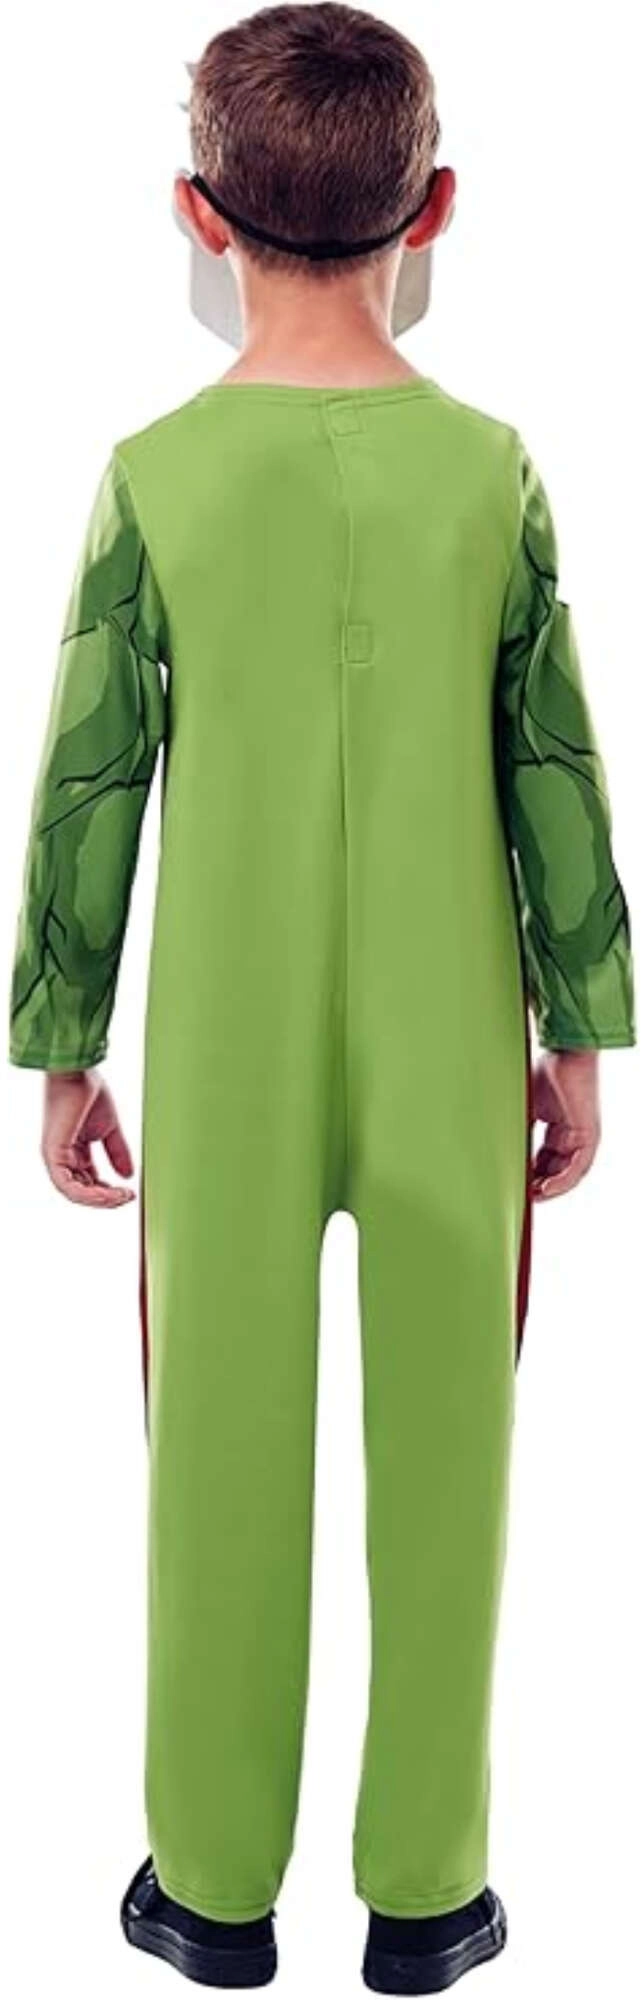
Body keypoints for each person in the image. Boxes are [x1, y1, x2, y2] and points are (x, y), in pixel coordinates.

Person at [8, 5, 635, 1992]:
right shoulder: (488, 472)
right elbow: (550, 764)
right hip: (453, 1032)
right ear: (433, 210)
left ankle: (209, 1890)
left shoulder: (155, 477)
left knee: (215, 1437)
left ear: (194, 216)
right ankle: (428, 1894)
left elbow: (91, 781)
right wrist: (579, 1032)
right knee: (455, 1450)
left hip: (226, 1038)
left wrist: (58, 1050)